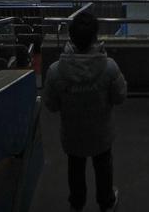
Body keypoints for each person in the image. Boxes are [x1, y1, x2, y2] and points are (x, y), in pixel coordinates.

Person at [44, 11, 127, 212]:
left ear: (71, 37)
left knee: (75, 168)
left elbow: (51, 105)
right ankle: (106, 202)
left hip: (72, 135)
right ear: (95, 37)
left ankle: (77, 203)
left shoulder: (56, 71)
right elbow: (119, 97)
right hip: (101, 134)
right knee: (103, 166)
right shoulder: (109, 68)